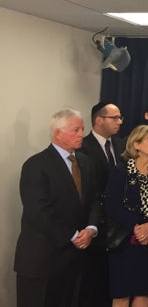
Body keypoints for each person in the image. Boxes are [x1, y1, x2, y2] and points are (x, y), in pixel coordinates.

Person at [15, 108, 101, 307]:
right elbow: (38, 212)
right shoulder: (36, 165)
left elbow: (95, 200)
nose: (82, 134)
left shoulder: (86, 163)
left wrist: (91, 229)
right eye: (76, 130)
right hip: (43, 259)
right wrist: (72, 236)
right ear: (58, 134)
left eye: (82, 129)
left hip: (76, 259)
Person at [105, 124, 148, 307]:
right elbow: (112, 205)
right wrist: (136, 227)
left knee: (144, 291)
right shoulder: (120, 171)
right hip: (125, 239)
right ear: (136, 144)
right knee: (122, 293)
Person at [78, 102, 126, 306]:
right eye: (114, 118)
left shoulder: (120, 145)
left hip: (117, 226)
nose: (120, 122)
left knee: (111, 282)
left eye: (120, 117)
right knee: (92, 283)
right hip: (94, 223)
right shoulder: (83, 146)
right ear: (99, 120)